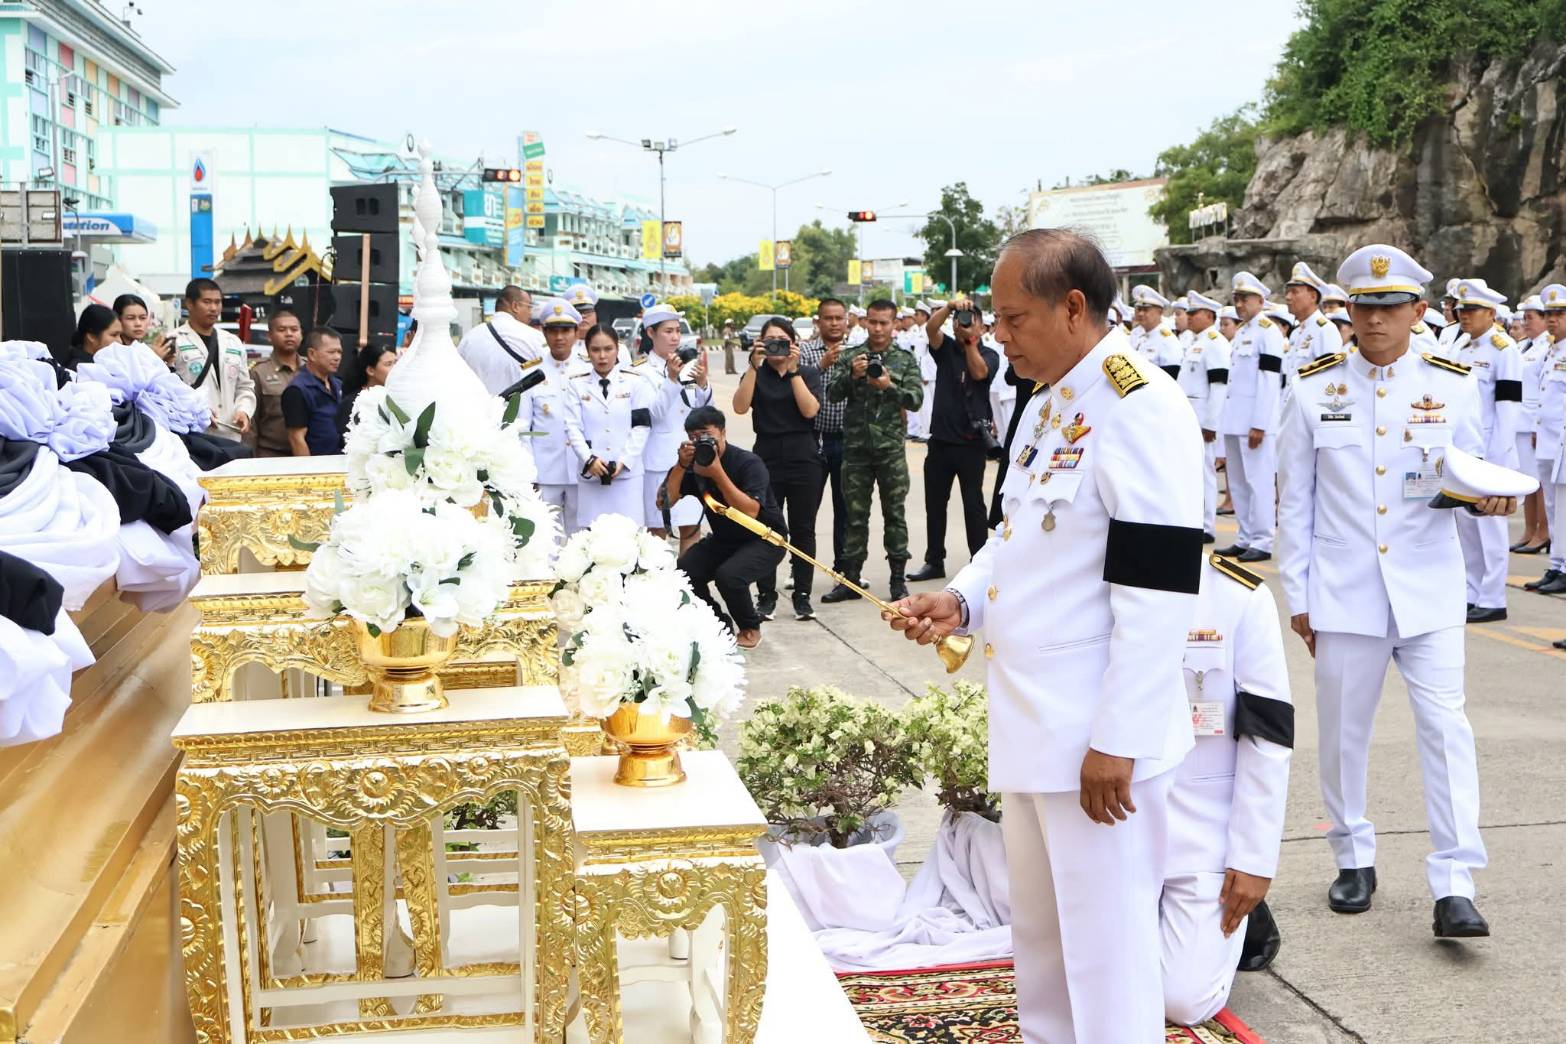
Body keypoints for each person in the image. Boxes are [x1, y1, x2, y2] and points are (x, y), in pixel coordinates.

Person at [888, 229, 1204, 1044]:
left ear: (1072, 308)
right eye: (994, 319)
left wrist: (1119, 739)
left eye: (1013, 318)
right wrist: (961, 601)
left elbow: (1158, 592)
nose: (998, 336)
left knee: (1108, 955)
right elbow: (1018, 538)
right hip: (1035, 725)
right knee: (1044, 944)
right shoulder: (1053, 400)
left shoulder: (1141, 405)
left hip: (1096, 739)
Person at [1279, 244, 1507, 938]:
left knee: (1445, 730)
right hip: (1344, 590)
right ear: (1348, 311)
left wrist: (1486, 498)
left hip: (1428, 588)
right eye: (1363, 307)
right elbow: (1296, 500)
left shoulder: (1453, 384)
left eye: (1390, 307)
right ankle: (1352, 855)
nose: (1375, 319)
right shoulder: (1313, 387)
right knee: (1343, 734)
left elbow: (1469, 473)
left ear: (1418, 311)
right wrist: (1299, 596)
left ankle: (1455, 882)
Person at [1162, 553, 1292, 1026]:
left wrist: (1253, 859)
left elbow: (1268, 736)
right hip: (1115, 827)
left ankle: (1242, 914)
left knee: (1182, 1000)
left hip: (1201, 835)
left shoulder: (1236, 596)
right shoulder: (1092, 583)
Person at [822, 298, 923, 603]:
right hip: (856, 451)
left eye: (884, 323)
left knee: (895, 515)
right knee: (854, 517)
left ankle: (897, 580)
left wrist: (889, 386)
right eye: (873, 322)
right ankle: (851, 580)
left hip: (890, 451)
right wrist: (852, 376)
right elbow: (832, 394)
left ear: (894, 324)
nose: (878, 328)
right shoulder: (852, 356)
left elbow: (916, 400)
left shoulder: (904, 359)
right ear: (865, 322)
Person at [668, 406, 787, 649]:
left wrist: (717, 473)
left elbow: (750, 511)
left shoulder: (748, 463)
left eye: (706, 434)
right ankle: (717, 625)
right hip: (725, 539)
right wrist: (681, 465)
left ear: (723, 432)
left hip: (765, 538)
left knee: (729, 576)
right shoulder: (695, 465)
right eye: (693, 437)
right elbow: (666, 500)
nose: (701, 442)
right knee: (683, 572)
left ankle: (750, 628)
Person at [733, 317, 822, 621]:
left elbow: (810, 410)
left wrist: (793, 371)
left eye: (781, 341)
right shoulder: (756, 374)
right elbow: (739, 407)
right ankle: (766, 596)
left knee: (803, 529)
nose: (775, 347)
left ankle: (802, 595)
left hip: (804, 458)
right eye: (769, 340)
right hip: (766, 459)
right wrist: (753, 366)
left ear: (793, 343)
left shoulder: (807, 373)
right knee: (766, 528)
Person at [907, 296, 998, 582]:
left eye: (971, 321)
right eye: (961, 321)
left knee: (973, 505)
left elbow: (979, 373)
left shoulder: (989, 354)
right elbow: (931, 329)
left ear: (981, 327)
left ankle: (979, 564)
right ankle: (934, 561)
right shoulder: (946, 348)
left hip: (971, 443)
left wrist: (970, 342)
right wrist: (949, 308)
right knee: (935, 504)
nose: (965, 324)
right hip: (941, 441)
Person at [1452, 279, 1522, 623]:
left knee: (1491, 527)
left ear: (1491, 313)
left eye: (1472, 309)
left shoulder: (1503, 349)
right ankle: (1471, 592)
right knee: (1466, 525)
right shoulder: (1461, 346)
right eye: (1461, 309)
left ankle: (1493, 597)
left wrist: (1499, 459)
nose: (1464, 315)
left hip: (1491, 450)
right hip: (1464, 449)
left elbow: (1508, 408)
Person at [1217, 271, 1286, 563]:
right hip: (1235, 420)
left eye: (1244, 298)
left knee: (1258, 483)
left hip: (1255, 423)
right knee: (1238, 482)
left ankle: (1262, 540)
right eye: (1236, 298)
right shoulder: (1243, 333)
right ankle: (1245, 537)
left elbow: (1269, 381)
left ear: (1260, 300)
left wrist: (1260, 423)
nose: (1239, 304)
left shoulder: (1268, 331)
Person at [633, 303, 711, 538]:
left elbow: (703, 410)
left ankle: (689, 566)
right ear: (651, 332)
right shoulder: (639, 372)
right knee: (657, 530)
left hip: (689, 456)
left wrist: (703, 384)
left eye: (677, 330)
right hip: (658, 461)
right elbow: (652, 415)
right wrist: (672, 380)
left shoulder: (687, 365)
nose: (675, 337)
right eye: (668, 331)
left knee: (691, 527)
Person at [564, 324, 654, 528]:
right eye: (595, 350)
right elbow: (572, 428)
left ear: (617, 350)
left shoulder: (635, 382)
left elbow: (641, 427)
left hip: (627, 476)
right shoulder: (576, 384)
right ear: (588, 352)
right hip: (591, 475)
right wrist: (589, 460)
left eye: (608, 349)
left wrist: (624, 461)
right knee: (592, 536)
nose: (602, 356)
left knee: (629, 535)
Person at [517, 300, 590, 534]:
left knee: (582, 537)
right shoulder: (531, 372)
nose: (559, 337)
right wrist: (530, 471)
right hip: (546, 470)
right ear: (544, 332)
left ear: (576, 333)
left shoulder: (588, 369)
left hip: (582, 468)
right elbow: (523, 428)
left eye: (566, 330)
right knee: (548, 535)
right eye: (553, 331)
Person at [800, 298, 851, 572]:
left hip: (848, 442)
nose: (834, 323)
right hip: (813, 440)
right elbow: (798, 386)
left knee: (846, 511)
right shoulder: (805, 352)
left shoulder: (857, 351)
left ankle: (844, 570)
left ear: (847, 321)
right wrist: (821, 365)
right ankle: (801, 571)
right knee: (806, 511)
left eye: (838, 318)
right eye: (828, 318)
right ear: (818, 322)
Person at [170, 277, 254, 439]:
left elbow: (244, 386)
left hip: (231, 434)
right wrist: (198, 409)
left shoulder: (232, 342)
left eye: (218, 302)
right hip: (194, 435)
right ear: (190, 304)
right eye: (207, 302)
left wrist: (244, 410)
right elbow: (168, 391)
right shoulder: (174, 341)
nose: (214, 308)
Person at [1179, 292, 1232, 544]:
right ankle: (1193, 521)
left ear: (1209, 316)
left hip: (1202, 420)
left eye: (1194, 313)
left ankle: (1207, 525)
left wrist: (1211, 424)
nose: (1189, 317)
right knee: (1190, 471)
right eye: (1188, 313)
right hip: (1189, 417)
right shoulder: (1195, 341)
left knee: (1205, 472)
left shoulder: (1215, 342)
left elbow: (1219, 386)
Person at [1526, 284, 1566, 595]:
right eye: (1549, 313)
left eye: (1560, 314)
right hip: (1548, 441)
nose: (1552, 319)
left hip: (1563, 443)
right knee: (1552, 506)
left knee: (1564, 508)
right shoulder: (1552, 351)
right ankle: (1557, 564)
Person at [1513, 295, 1552, 554]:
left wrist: (1539, 425)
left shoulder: (1548, 347)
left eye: (1531, 317)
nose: (1526, 322)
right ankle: (1529, 530)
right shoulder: (1523, 346)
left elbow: (1545, 389)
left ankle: (1543, 532)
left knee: (1539, 482)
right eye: (1524, 318)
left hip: (1535, 422)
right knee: (1527, 480)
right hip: (1520, 421)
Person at [456, 285, 545, 395]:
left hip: (476, 405)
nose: (530, 313)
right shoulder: (535, 337)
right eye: (529, 307)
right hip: (517, 405)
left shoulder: (468, 338)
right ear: (515, 306)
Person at [280, 328, 344, 457]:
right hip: (317, 463)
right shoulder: (297, 390)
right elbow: (297, 439)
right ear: (312, 354)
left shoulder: (339, 385)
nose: (337, 357)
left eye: (339, 352)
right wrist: (308, 467)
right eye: (331, 352)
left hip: (341, 460)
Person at [248, 309, 303, 457]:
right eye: (282, 330)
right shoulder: (258, 372)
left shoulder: (312, 369)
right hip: (270, 455)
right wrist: (250, 458)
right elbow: (251, 422)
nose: (289, 334)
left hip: (308, 454)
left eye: (294, 329)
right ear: (269, 336)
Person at [1283, 262, 1343, 384]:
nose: (1288, 297)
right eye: (1287, 292)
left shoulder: (1325, 330)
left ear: (1313, 297)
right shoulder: (1295, 333)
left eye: (1294, 292)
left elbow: (1329, 378)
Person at [336, 342, 398, 437]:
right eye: (388, 364)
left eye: (396, 362)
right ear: (370, 370)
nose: (396, 369)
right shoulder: (353, 402)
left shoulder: (397, 398)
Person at [1130, 285, 1182, 376]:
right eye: (1139, 309)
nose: (1141, 314)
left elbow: (1171, 377)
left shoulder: (1167, 341)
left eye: (1146, 310)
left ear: (1160, 312)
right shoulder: (1138, 337)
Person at [112, 294, 172, 364]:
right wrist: (154, 359)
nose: (138, 323)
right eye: (130, 318)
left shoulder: (145, 349)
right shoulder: (112, 353)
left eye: (143, 318)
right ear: (118, 320)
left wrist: (168, 363)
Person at [65, 304, 120, 369]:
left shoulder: (109, 361)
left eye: (120, 335)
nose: (120, 341)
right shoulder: (80, 369)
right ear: (91, 336)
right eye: (114, 335)